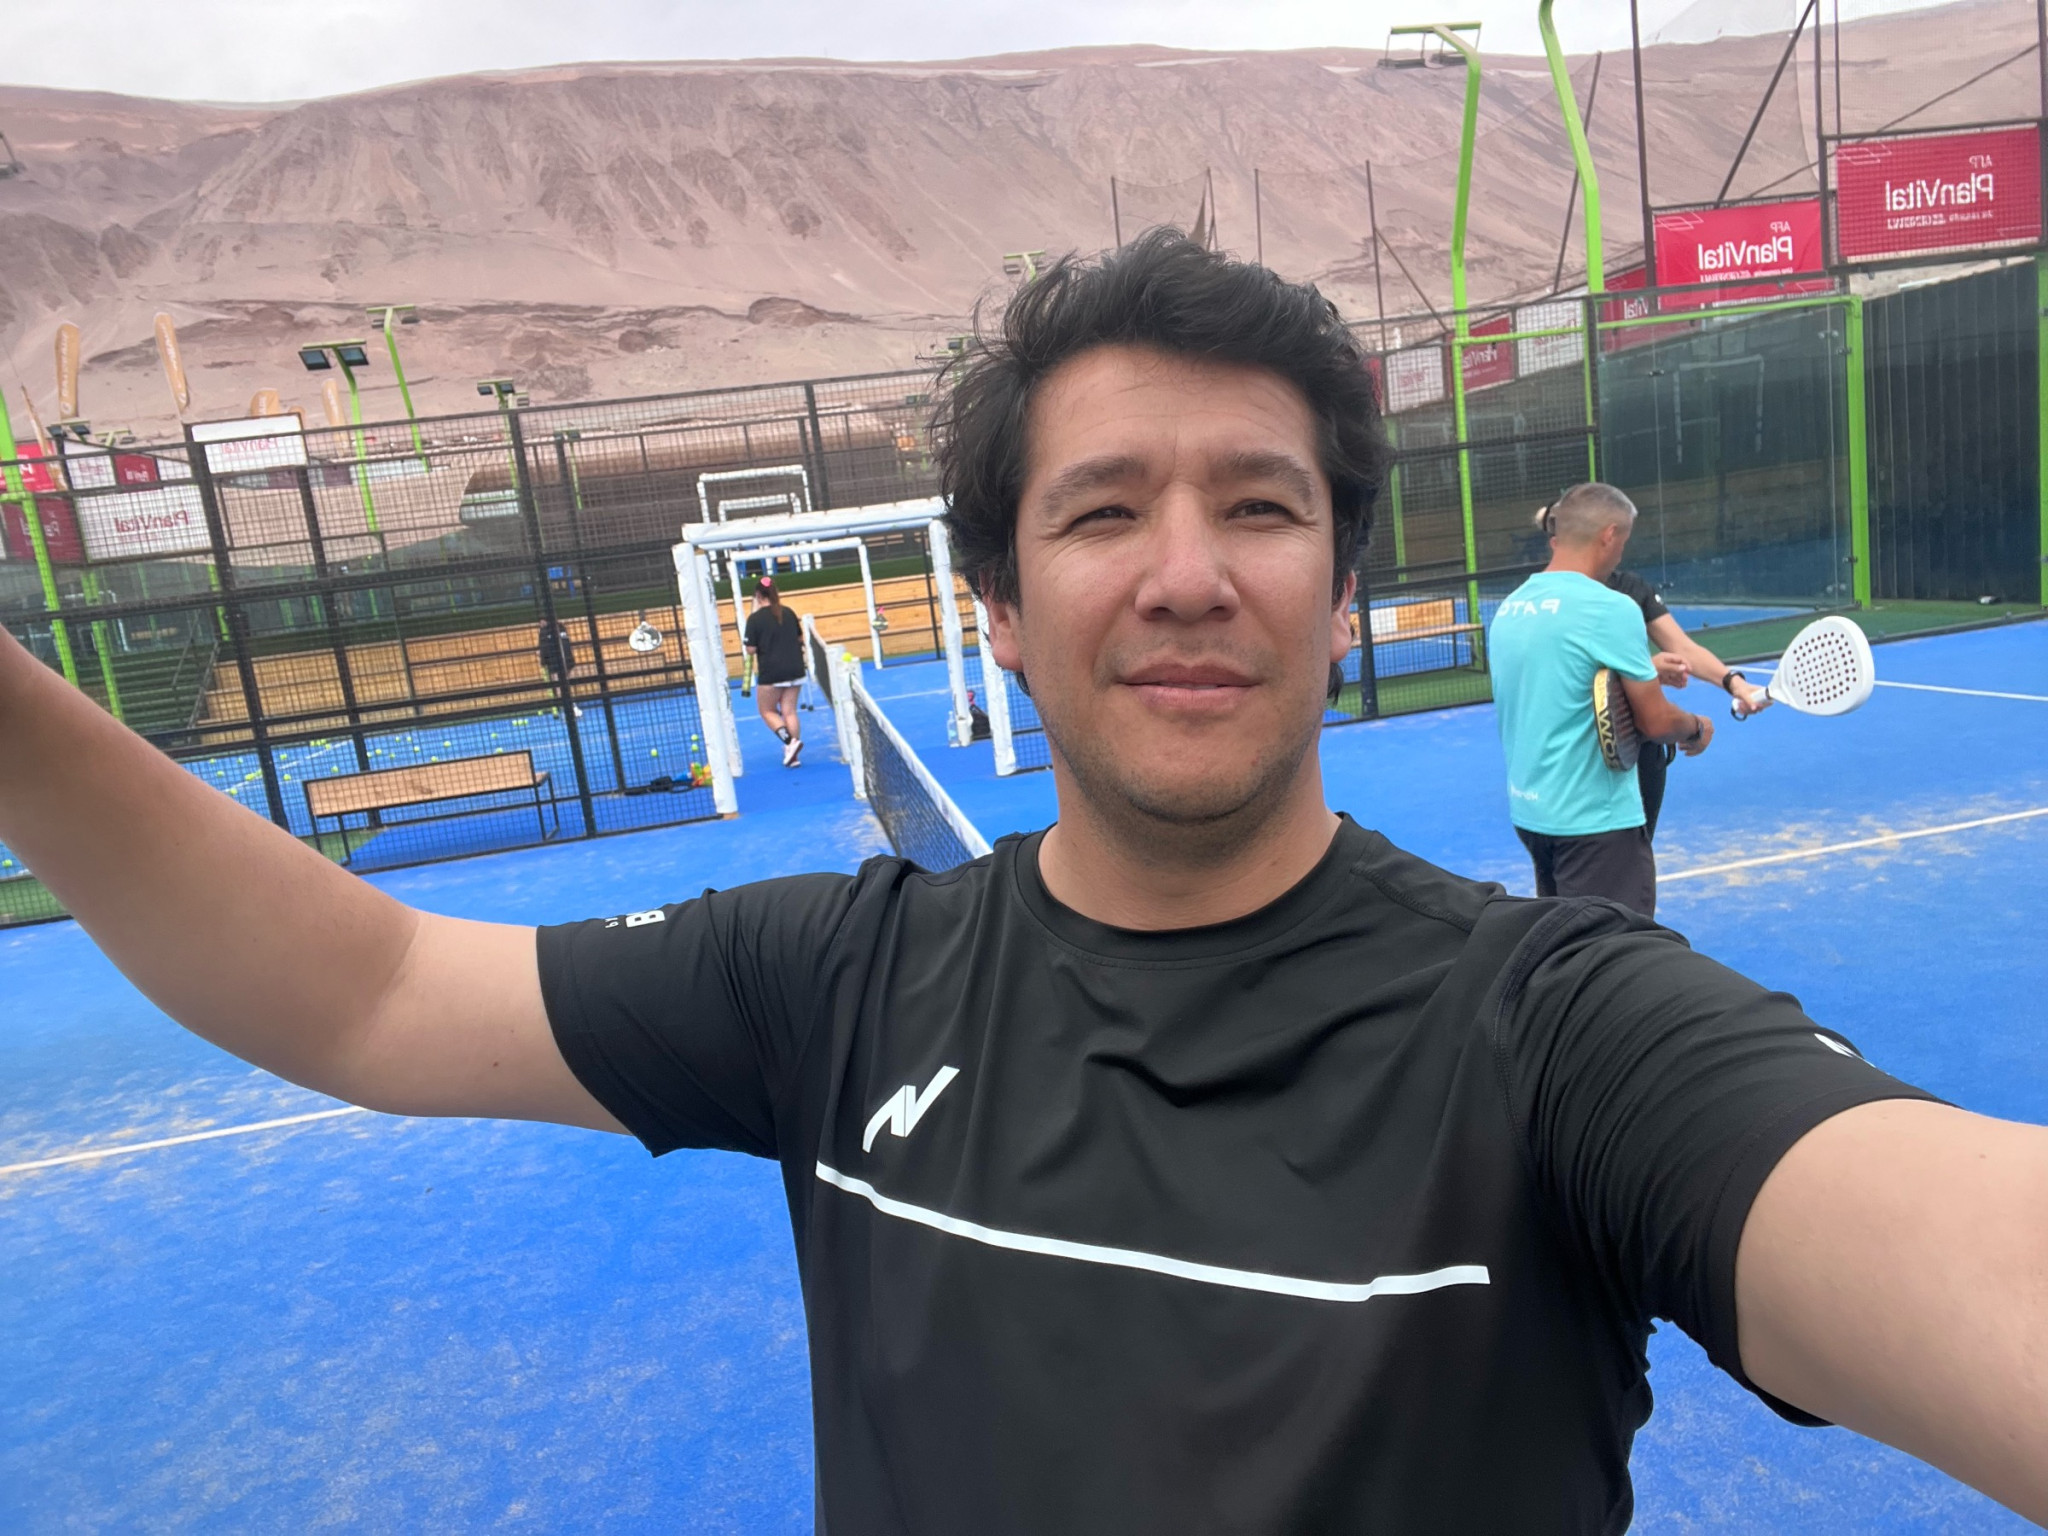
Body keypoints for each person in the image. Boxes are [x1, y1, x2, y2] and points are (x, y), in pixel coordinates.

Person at [0, 231, 2041, 1533]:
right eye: (1100, 512)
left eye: (1259, 507)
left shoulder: (1566, 1033)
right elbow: (362, 993)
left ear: (1340, 593)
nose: (1185, 572)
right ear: (992, 602)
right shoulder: (830, 979)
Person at [1489, 484, 1713, 916]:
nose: (1620, 554)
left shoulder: (1511, 608)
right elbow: (1654, 722)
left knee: (1563, 941)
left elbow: (1563, 687)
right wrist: (1696, 727)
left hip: (1534, 817)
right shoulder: (1610, 608)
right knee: (1616, 951)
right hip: (1595, 822)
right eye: (1623, 542)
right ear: (1609, 535)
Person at [1533, 504, 1773, 840]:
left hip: (1636, 751)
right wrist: (1648, 671)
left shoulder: (1629, 589)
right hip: (1577, 759)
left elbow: (1683, 647)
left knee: (1635, 853)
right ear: (1556, 541)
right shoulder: (1543, 602)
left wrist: (1735, 684)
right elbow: (1558, 678)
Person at [741, 575, 804, 767]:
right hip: (796, 669)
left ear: (758, 596)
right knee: (789, 711)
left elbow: (750, 649)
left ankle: (790, 742)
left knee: (767, 711)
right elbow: (800, 638)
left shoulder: (754, 619)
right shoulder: (789, 612)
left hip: (772, 673)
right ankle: (793, 754)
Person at [536, 616, 581, 719]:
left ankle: (568, 708)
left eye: (540, 622)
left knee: (559, 686)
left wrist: (543, 662)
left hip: (555, 661)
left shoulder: (544, 631)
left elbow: (544, 648)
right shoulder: (561, 627)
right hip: (568, 660)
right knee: (566, 684)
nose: (540, 625)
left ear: (544, 621)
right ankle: (572, 706)